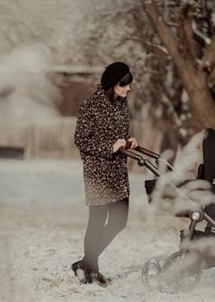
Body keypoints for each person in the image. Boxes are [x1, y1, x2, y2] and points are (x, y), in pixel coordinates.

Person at [71, 62, 138, 287]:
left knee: (119, 221)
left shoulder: (121, 104)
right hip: (97, 172)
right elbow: (81, 140)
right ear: (112, 84)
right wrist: (109, 147)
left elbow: (118, 135)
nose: (128, 89)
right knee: (97, 222)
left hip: (117, 172)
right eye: (124, 85)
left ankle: (86, 264)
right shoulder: (91, 105)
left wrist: (128, 141)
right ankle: (91, 270)